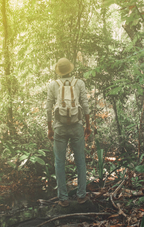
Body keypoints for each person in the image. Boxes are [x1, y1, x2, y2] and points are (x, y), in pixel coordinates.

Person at [46, 58, 91, 207]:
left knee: (59, 162)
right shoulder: (79, 83)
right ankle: (81, 196)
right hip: (76, 125)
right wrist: (88, 125)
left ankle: (63, 198)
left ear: (59, 71)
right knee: (80, 161)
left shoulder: (53, 85)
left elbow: (48, 108)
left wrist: (49, 128)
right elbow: (84, 104)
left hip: (59, 127)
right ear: (70, 70)